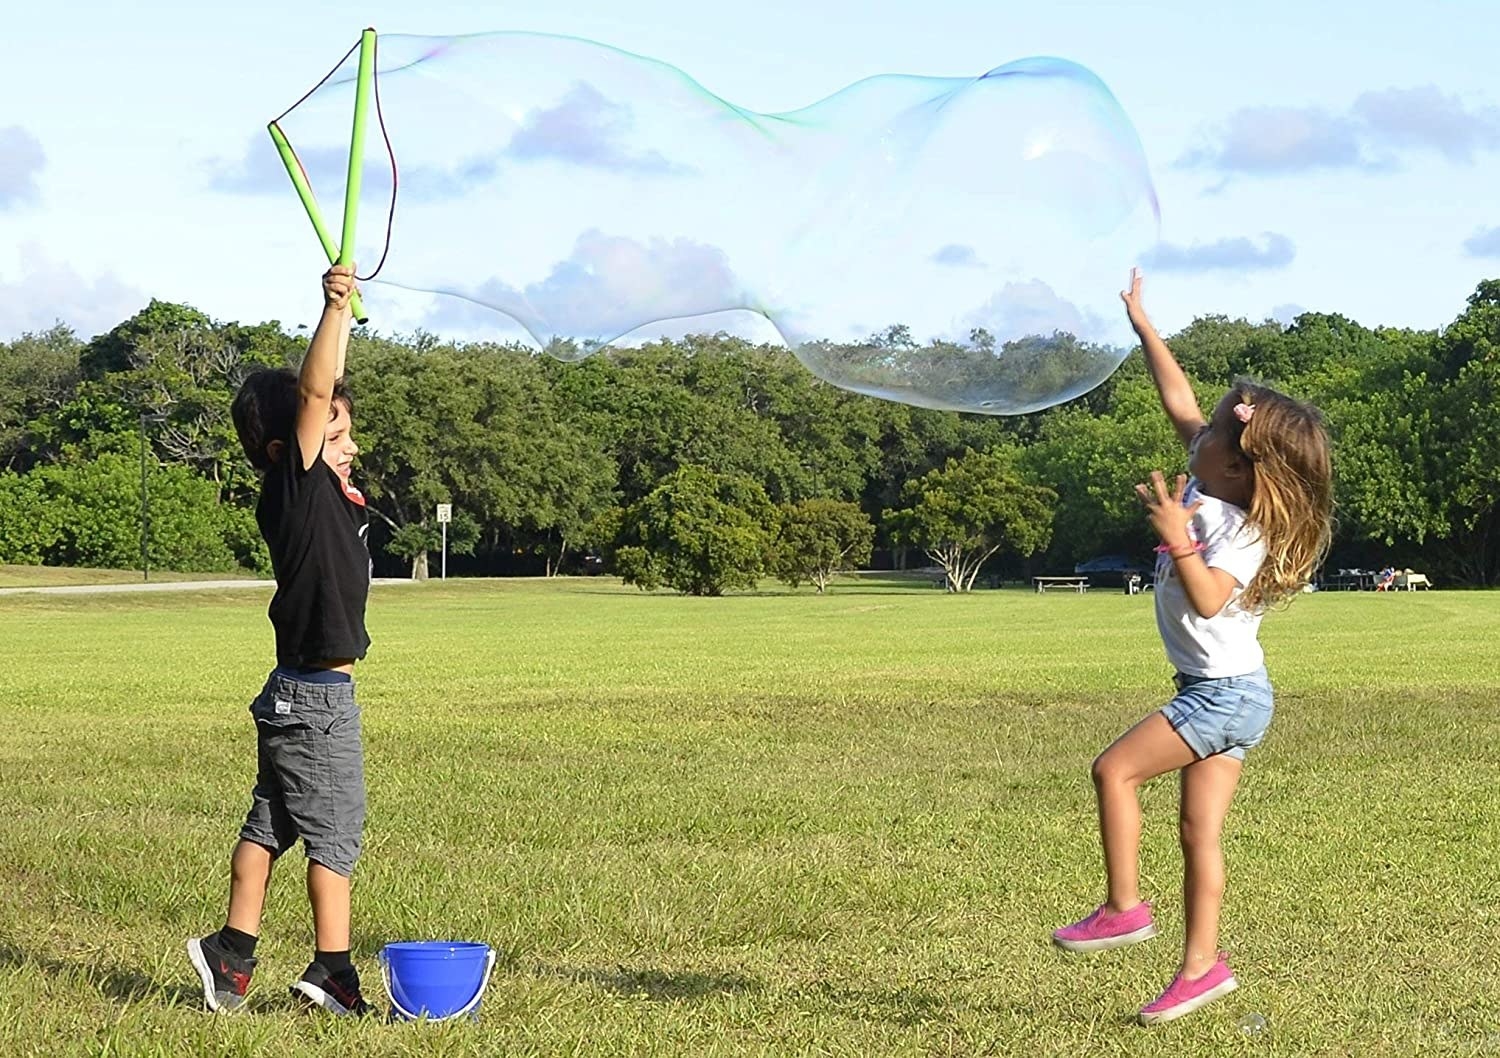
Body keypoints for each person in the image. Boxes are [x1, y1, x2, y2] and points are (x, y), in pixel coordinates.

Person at [1051, 269, 1333, 1024]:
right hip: (1224, 693)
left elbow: (1212, 598)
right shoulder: (1215, 482)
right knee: (1197, 832)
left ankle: (1123, 909)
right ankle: (1202, 968)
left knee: (1113, 771)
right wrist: (1145, 325)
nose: (1195, 434)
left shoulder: (1239, 528)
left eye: (1211, 433)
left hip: (1225, 697)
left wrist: (1178, 540)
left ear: (1239, 467)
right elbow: (1177, 397)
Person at [187, 265, 376, 1016]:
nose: (349, 442)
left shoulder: (319, 488)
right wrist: (330, 310)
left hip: (298, 691)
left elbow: (326, 392)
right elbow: (314, 392)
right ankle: (333, 972)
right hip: (318, 700)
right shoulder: (295, 487)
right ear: (284, 443)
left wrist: (343, 333)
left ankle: (230, 953)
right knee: (336, 840)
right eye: (336, 429)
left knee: (271, 824)